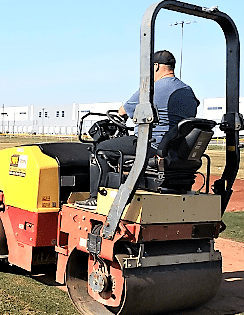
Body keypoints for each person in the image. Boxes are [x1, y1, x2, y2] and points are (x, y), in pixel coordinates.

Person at [76, 50, 200, 209]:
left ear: (156, 66)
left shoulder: (151, 89)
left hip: (153, 146)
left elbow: (123, 111)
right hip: (178, 151)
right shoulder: (188, 91)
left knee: (101, 149)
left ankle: (96, 199)